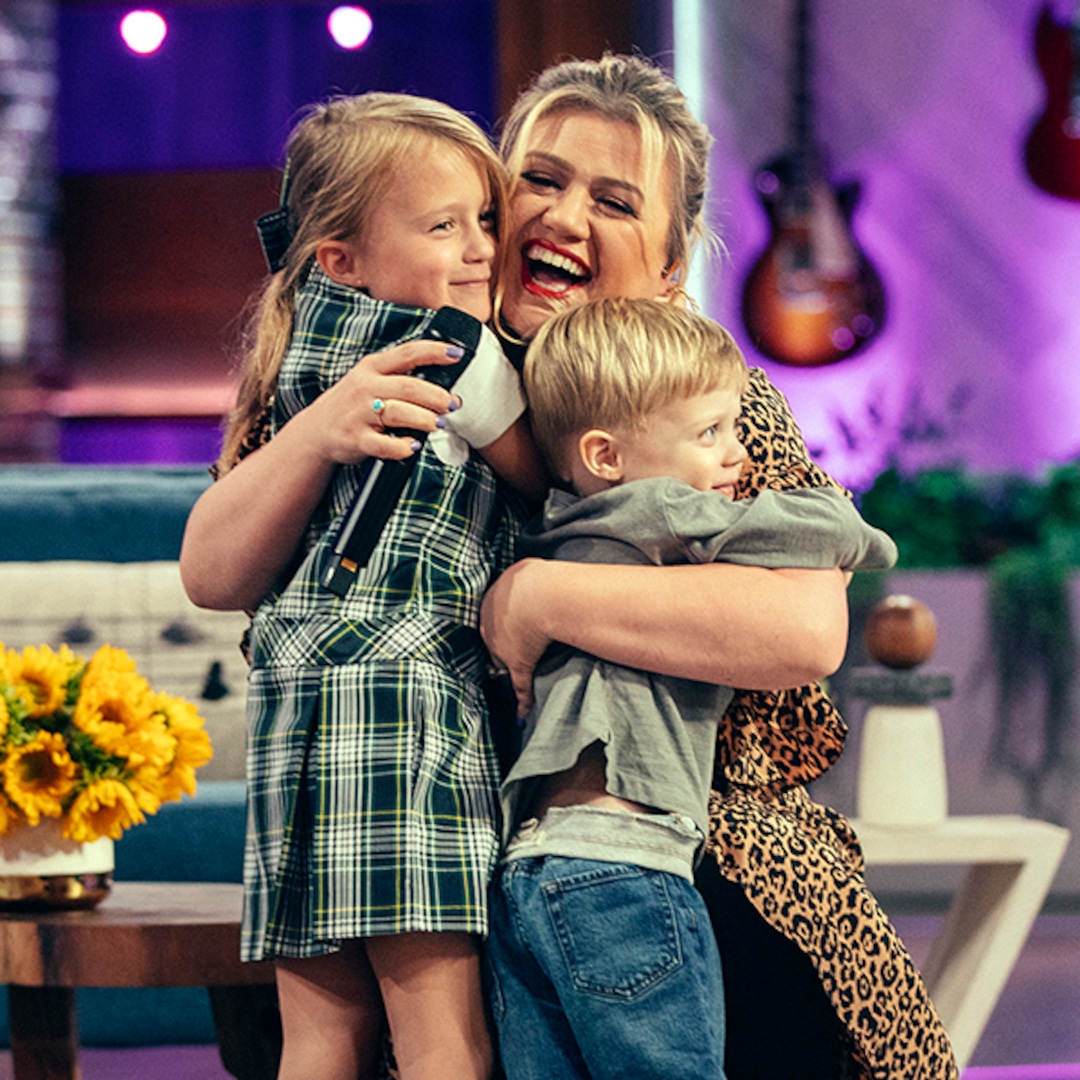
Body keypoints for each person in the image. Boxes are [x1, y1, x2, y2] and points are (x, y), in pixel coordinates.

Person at [181, 54, 957, 1080]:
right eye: (540, 181)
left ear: (670, 269)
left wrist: (544, 592)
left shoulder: (694, 396)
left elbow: (802, 632)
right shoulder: (385, 360)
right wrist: (321, 428)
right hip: (422, 848)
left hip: (695, 868)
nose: (565, 217)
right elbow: (215, 566)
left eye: (615, 200)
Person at [189, 92, 550, 1080]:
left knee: (319, 1037)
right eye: (445, 226)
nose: (482, 248)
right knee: (441, 1033)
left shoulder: (301, 353)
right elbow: (538, 471)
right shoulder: (450, 346)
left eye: (486, 219)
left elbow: (222, 573)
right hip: (405, 711)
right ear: (339, 258)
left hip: (295, 718)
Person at [486, 296, 898, 1080]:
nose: (736, 457)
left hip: (529, 867)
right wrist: (846, 527)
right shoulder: (665, 509)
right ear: (607, 456)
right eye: (711, 434)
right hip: (628, 863)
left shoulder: (553, 525)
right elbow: (838, 535)